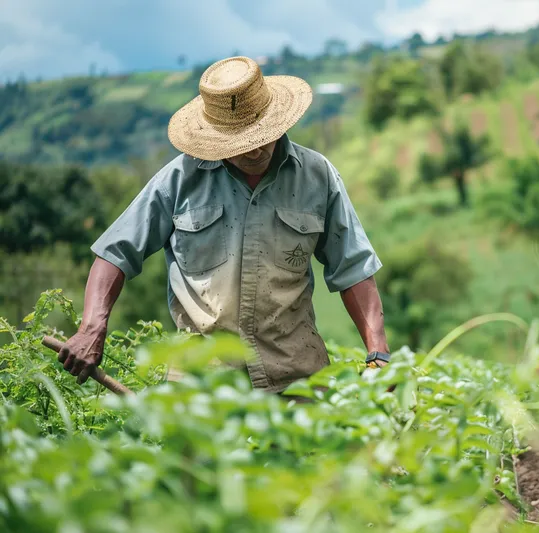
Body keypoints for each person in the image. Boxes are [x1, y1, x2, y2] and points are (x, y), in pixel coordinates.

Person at [58, 56, 392, 393]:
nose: (254, 149)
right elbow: (115, 252)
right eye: (240, 141)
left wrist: (378, 353)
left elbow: (354, 267)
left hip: (296, 380)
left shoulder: (317, 177)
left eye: (262, 135)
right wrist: (92, 328)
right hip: (201, 387)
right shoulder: (178, 180)